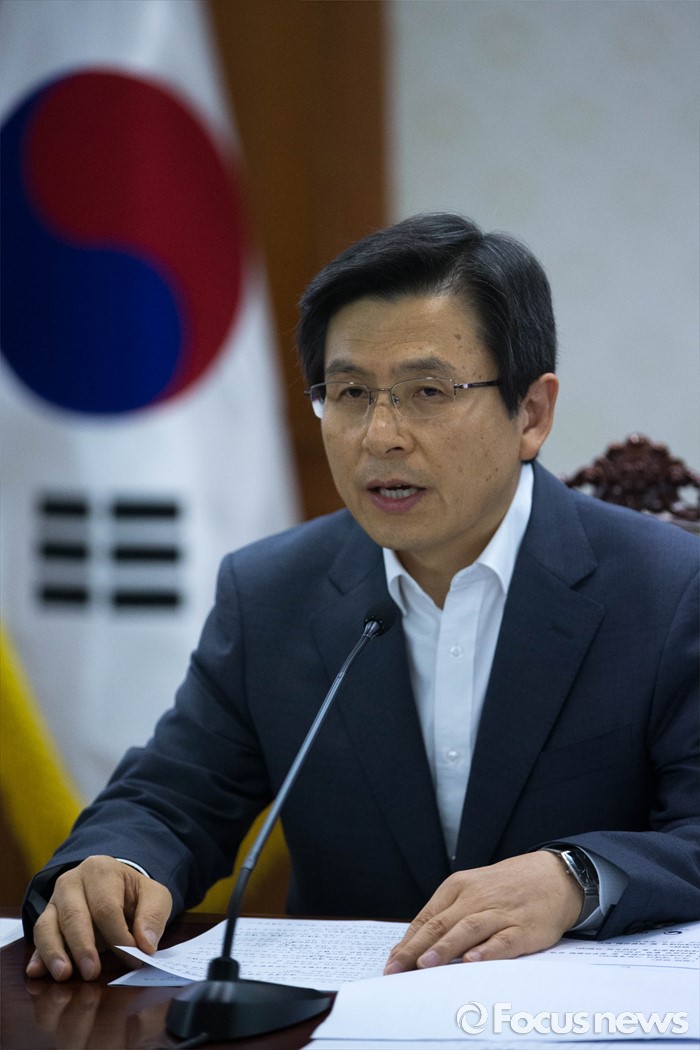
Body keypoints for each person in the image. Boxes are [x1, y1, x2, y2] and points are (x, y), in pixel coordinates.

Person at [24, 213, 699, 984]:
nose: (380, 436)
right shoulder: (271, 593)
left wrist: (576, 878)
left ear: (532, 414)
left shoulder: (668, 589)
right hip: (344, 1021)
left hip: (580, 1016)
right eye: (349, 393)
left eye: (428, 392)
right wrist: (115, 864)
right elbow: (171, 798)